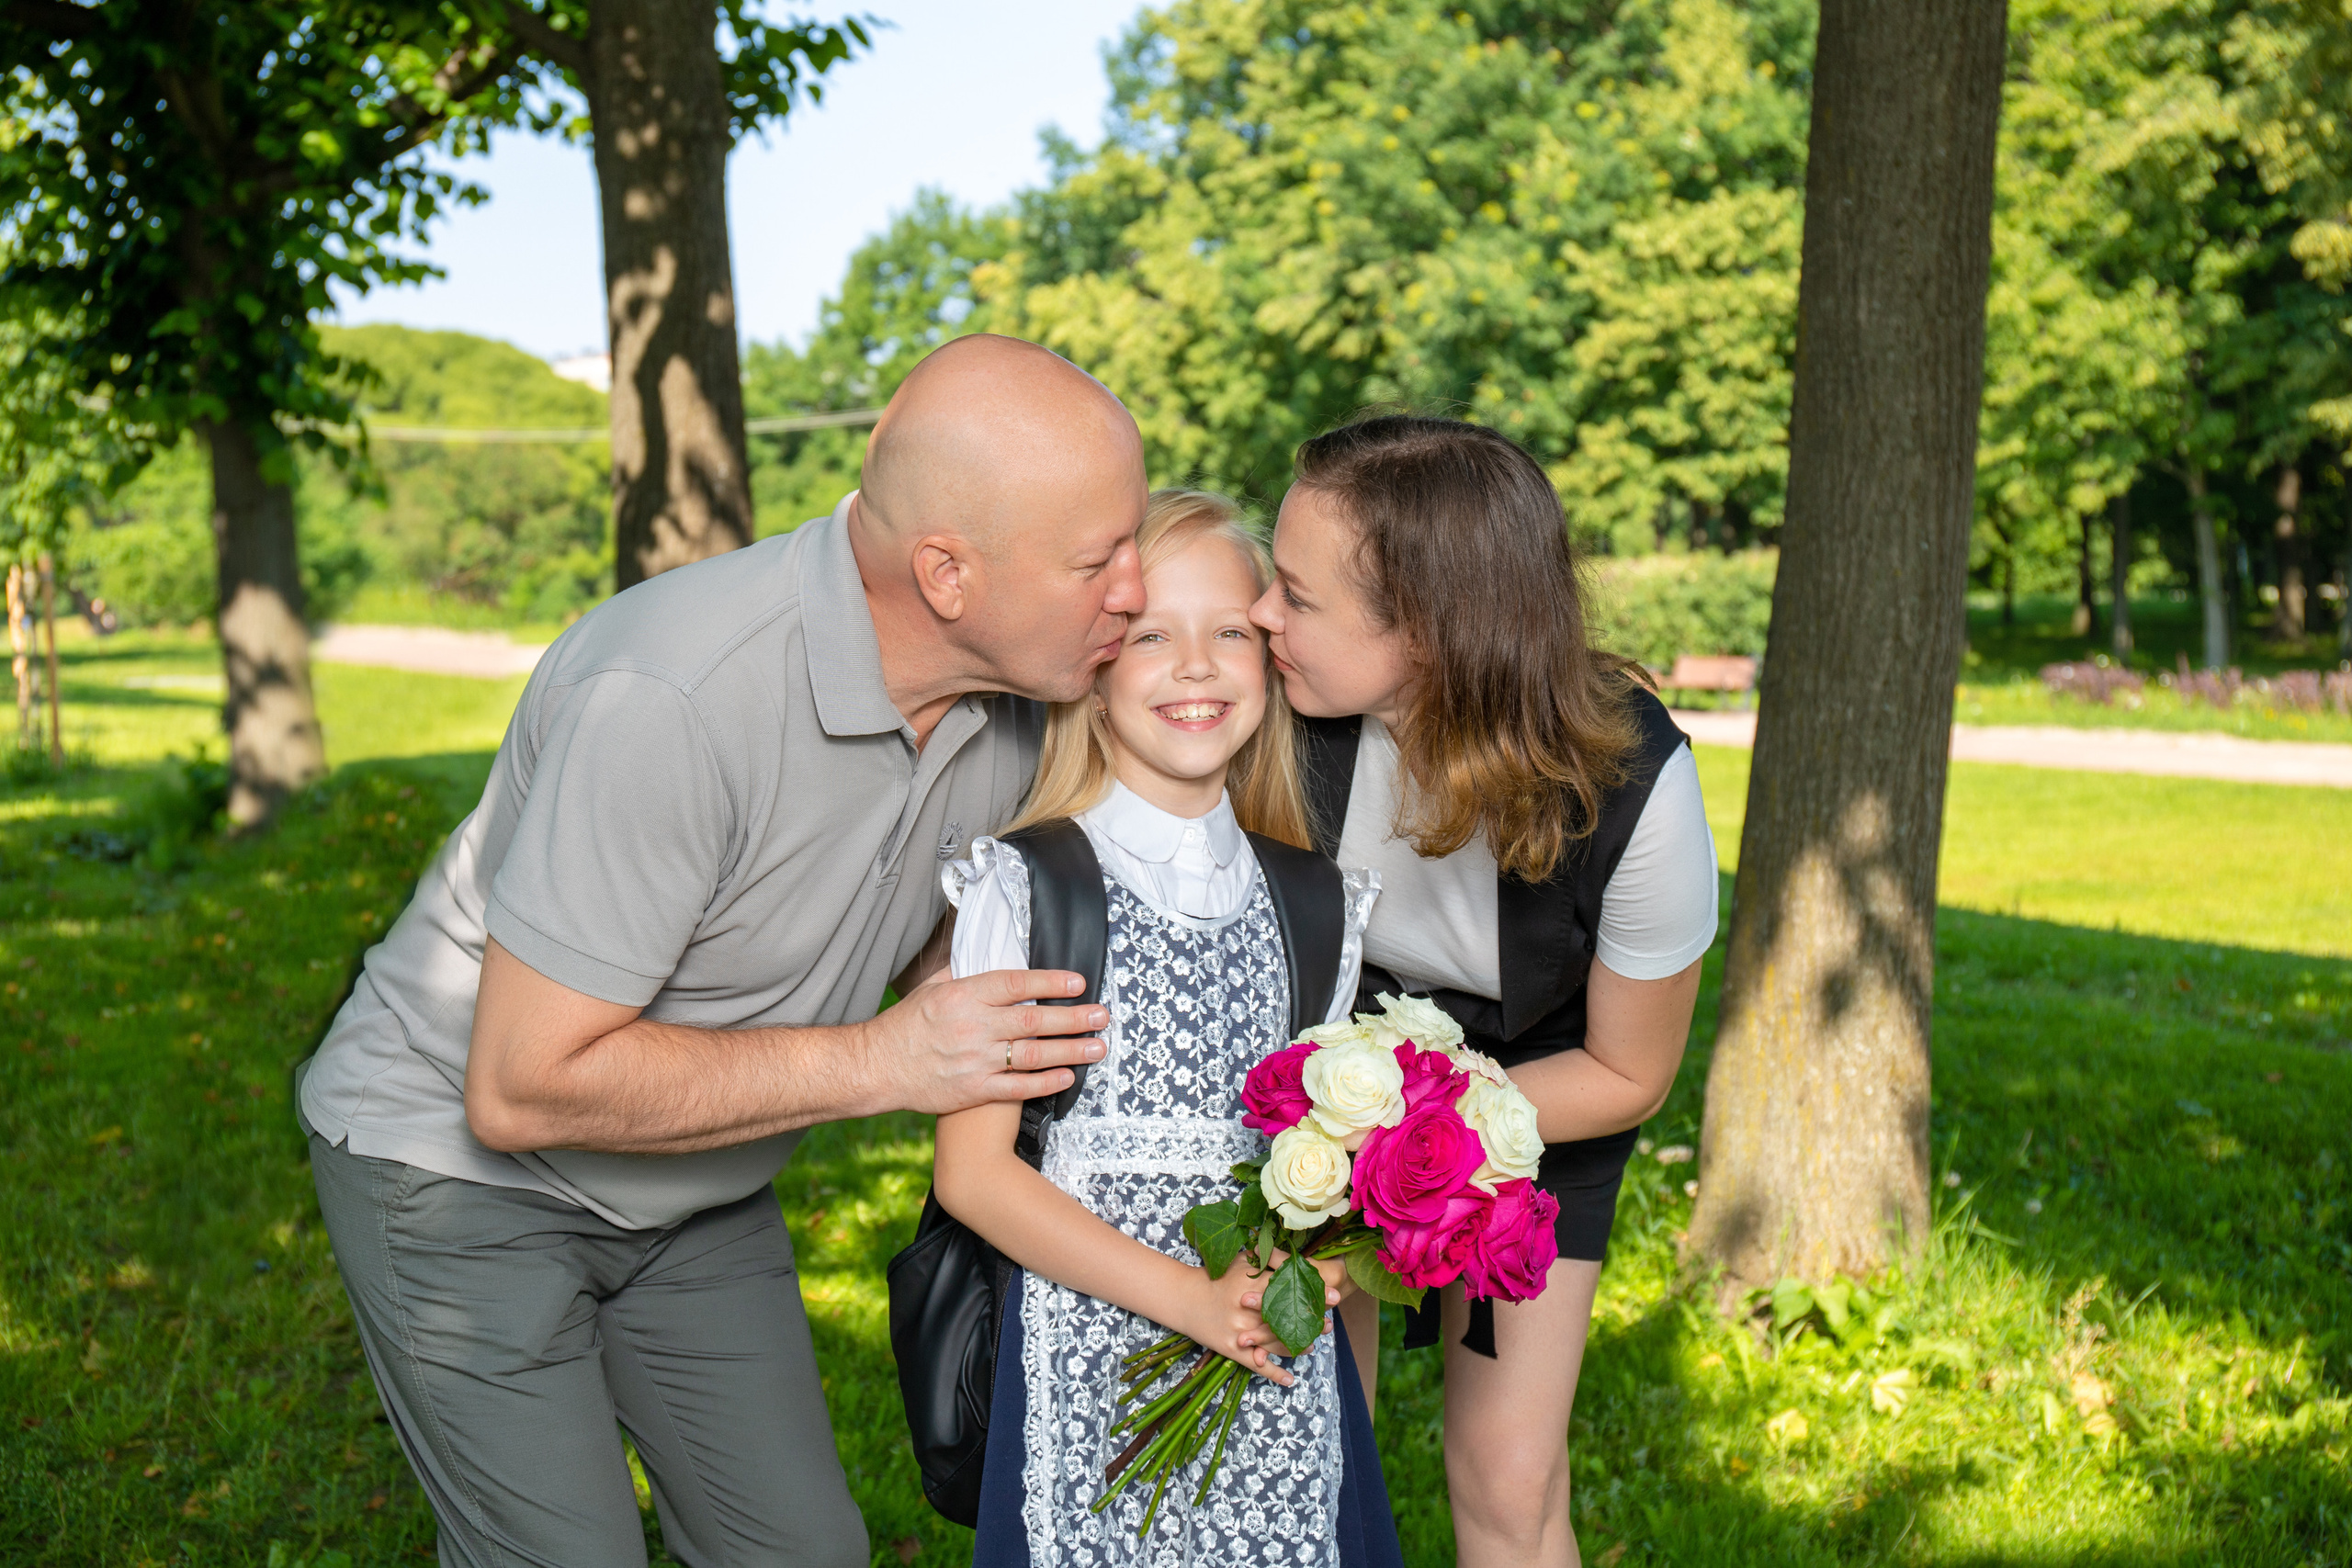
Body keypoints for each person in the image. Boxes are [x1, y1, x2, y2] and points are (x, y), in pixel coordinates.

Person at [295, 334, 1148, 1568]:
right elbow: (521, 1083)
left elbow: (942, 938)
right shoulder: (674, 694)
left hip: (693, 1183)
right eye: (1097, 558)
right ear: (947, 573)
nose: (1133, 585)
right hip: (456, 1171)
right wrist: (886, 1058)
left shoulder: (1025, 697)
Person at [1249, 417, 1715, 1568]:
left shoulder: (1632, 786)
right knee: (1305, 1441)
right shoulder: (1282, 727)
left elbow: (1629, 1072)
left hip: (1550, 1093)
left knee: (1507, 1482)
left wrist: (1418, 1139)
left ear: (1427, 632)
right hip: (1321, 1090)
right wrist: (1342, 1140)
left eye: (1297, 599)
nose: (1263, 617)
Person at [933, 491, 1403, 1567]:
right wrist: (1188, 1301)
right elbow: (974, 1173)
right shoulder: (1033, 885)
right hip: (1083, 1357)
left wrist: (1319, 1260)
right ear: (1092, 673)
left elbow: (1316, 1166)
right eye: (1152, 635)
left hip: (1270, 1365)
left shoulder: (1318, 903)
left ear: (1270, 661)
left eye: (1229, 632)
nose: (1195, 665)